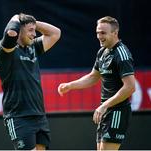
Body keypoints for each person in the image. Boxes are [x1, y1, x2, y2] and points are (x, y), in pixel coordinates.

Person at [58, 16, 135, 150]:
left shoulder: (122, 54)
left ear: (115, 33)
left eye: (103, 33)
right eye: (97, 32)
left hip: (117, 111)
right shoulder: (102, 52)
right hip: (105, 110)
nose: (99, 36)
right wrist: (70, 85)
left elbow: (130, 87)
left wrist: (105, 105)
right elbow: (93, 77)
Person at [0, 13, 61, 150]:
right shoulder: (5, 51)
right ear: (20, 30)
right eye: (30, 30)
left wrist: (33, 23)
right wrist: (15, 18)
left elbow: (55, 33)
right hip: (18, 116)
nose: (34, 34)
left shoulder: (33, 47)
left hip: (39, 115)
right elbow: (11, 33)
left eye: (34, 30)